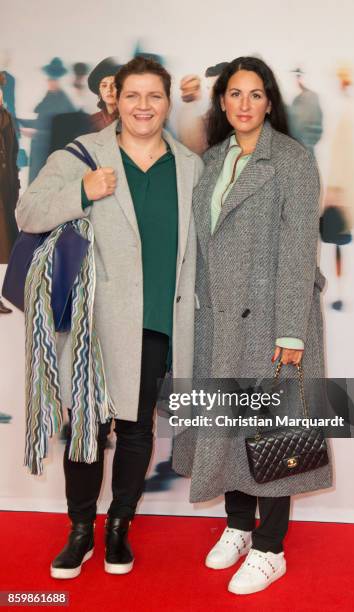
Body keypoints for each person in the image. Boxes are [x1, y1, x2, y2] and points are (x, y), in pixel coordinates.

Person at [16, 56, 203, 579]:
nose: (144, 106)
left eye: (154, 96)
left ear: (167, 103)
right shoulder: (83, 155)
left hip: (156, 321)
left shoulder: (190, 166)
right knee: (86, 430)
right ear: (114, 99)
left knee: (138, 429)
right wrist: (82, 192)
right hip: (93, 324)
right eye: (133, 95)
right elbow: (27, 213)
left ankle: (119, 525)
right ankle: (80, 530)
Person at [172, 57, 332, 596]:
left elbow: (296, 248)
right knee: (227, 424)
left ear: (270, 102)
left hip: (272, 320)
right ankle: (240, 525)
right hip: (219, 320)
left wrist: (291, 332)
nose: (244, 104)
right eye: (235, 94)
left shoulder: (291, 159)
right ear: (222, 102)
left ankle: (272, 546)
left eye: (256, 94)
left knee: (275, 428)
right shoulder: (211, 161)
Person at [0, 71, 19, 265]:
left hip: (5, 189)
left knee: (6, 246)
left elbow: (13, 153)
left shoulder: (6, 117)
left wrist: (15, 185)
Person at [87, 57, 121, 132]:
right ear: (99, 91)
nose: (109, 89)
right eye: (104, 86)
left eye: (114, 85)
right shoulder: (91, 123)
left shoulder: (133, 118)